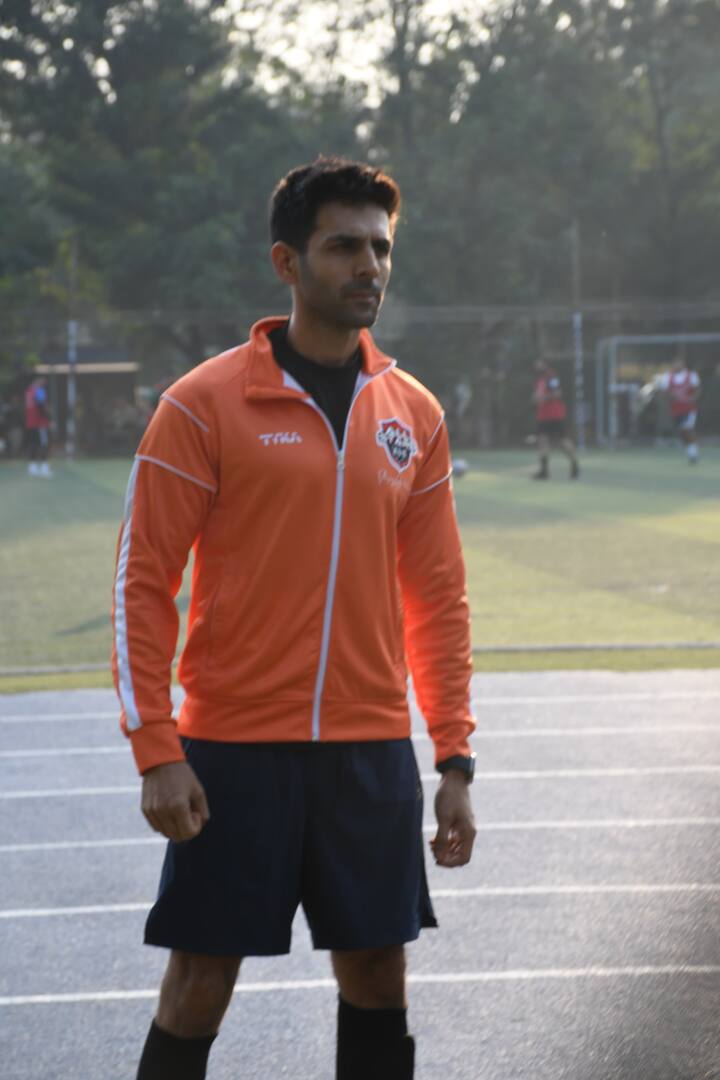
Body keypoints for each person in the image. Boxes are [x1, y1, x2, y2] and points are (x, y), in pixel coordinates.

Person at [112, 157, 476, 1080]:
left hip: (369, 751)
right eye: (344, 246)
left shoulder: (415, 413)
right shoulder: (201, 405)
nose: (370, 266)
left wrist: (454, 757)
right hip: (233, 751)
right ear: (288, 261)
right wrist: (157, 748)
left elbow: (437, 595)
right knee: (198, 985)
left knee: (379, 976)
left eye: (380, 248)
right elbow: (142, 583)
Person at [531, 357, 579, 480]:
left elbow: (557, 393)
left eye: (539, 363)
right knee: (542, 441)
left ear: (545, 364)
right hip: (543, 416)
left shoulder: (551, 377)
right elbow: (538, 395)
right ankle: (544, 471)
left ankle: (575, 465)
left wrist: (543, 398)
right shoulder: (540, 379)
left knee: (562, 441)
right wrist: (536, 398)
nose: (537, 366)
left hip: (554, 415)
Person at [656, 354, 701, 463]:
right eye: (675, 363)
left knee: (687, 428)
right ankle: (690, 452)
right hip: (676, 410)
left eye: (679, 363)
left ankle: (694, 453)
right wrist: (670, 396)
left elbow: (698, 389)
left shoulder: (691, 375)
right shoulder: (668, 377)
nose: (677, 365)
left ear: (683, 364)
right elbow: (663, 392)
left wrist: (693, 398)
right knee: (682, 432)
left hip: (689, 409)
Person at [24, 374, 52, 476]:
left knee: (33, 444)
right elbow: (41, 406)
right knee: (44, 444)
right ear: (38, 380)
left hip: (30, 422)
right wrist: (49, 418)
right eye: (43, 380)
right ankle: (44, 467)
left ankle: (32, 466)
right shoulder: (39, 391)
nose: (44, 382)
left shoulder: (28, 391)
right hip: (40, 423)